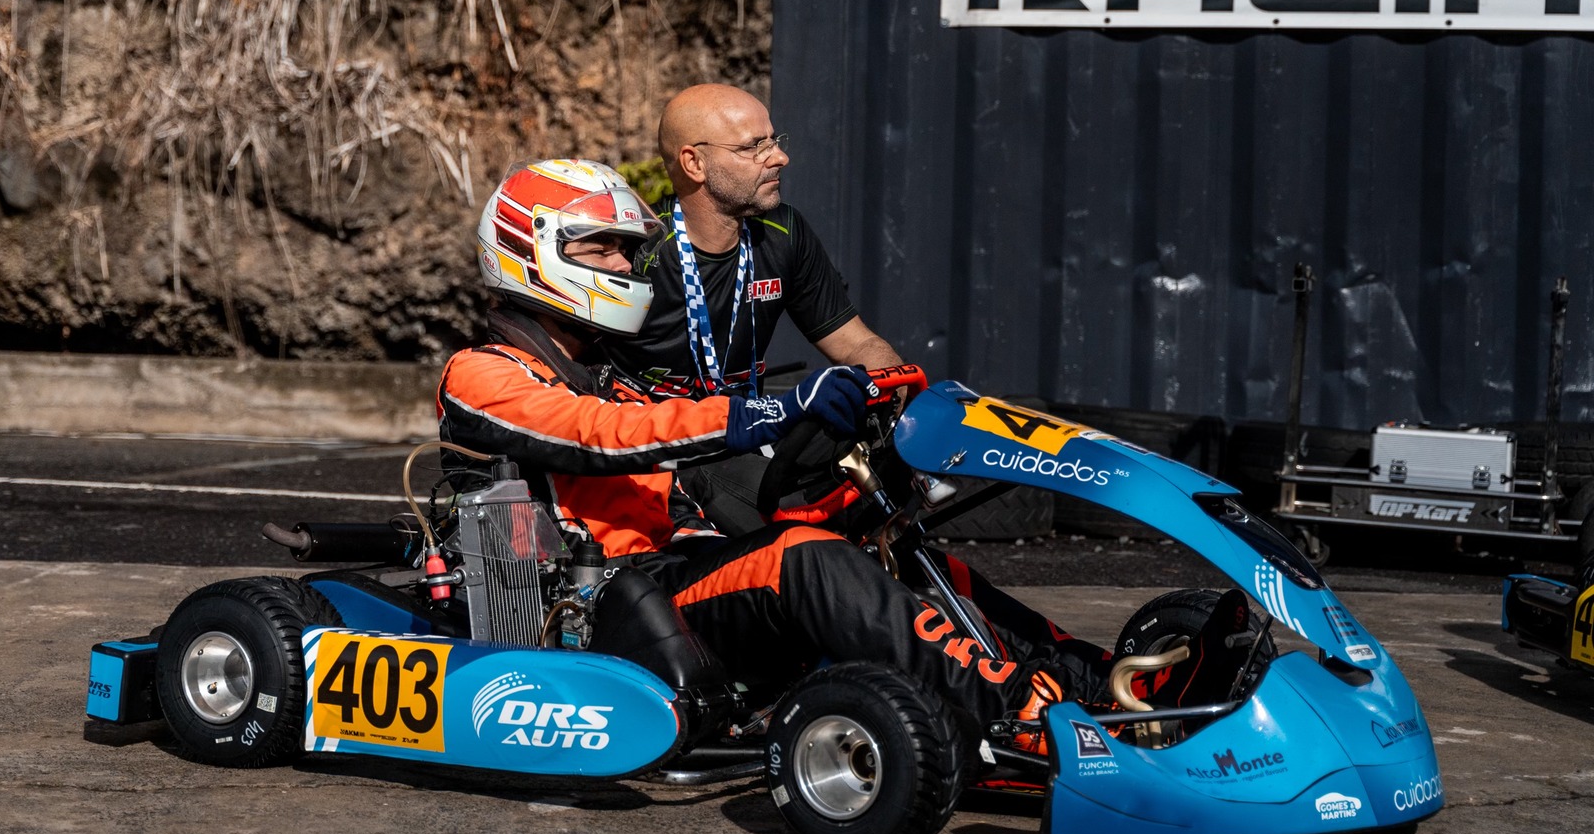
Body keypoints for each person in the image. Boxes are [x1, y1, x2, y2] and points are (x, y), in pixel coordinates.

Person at [441, 159, 1248, 743]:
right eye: (604, 249)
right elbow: (593, 437)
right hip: (601, 608)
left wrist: (836, 455)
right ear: (533, 250)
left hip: (682, 578)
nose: (626, 264)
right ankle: (1024, 718)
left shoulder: (616, 376)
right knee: (803, 559)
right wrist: (767, 408)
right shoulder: (483, 372)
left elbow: (696, 455)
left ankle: (1105, 682)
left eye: (627, 247)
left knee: (878, 540)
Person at [607, 84, 900, 532]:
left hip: (751, 432)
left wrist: (897, 397)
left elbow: (855, 341)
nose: (779, 157)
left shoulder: (784, 231)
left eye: (774, 141)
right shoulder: (639, 251)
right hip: (660, 455)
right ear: (694, 163)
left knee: (891, 511)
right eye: (753, 146)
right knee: (811, 543)